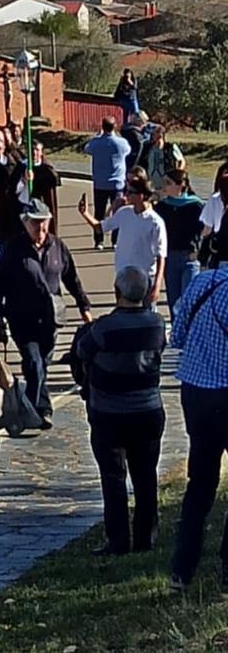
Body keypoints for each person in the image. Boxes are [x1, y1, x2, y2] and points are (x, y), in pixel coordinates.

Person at [72, 266, 167, 556]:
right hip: (148, 409)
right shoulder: (157, 324)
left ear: (116, 292)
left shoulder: (104, 328)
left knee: (113, 478)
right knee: (145, 475)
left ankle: (118, 540)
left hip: (109, 413)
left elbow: (81, 352)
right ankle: (145, 537)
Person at [0, 199, 92, 428]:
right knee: (34, 362)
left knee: (42, 364)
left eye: (44, 223)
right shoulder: (14, 249)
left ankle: (33, 404)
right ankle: (38, 410)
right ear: (25, 223)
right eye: (35, 223)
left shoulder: (57, 247)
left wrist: (84, 307)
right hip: (21, 318)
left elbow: (71, 278)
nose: (40, 228)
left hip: (51, 318)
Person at [169, 218, 228, 590]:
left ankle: (182, 567)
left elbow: (178, 336)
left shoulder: (202, 284)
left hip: (196, 391)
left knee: (200, 482)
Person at [78, 174, 167, 308]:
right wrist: (85, 214)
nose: (126, 195)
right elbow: (101, 228)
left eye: (130, 192)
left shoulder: (155, 222)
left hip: (145, 277)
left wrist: (157, 284)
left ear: (141, 195)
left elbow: (161, 255)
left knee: (146, 316)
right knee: (123, 314)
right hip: (123, 274)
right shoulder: (124, 213)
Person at [156, 170, 205, 314]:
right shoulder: (162, 207)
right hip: (170, 257)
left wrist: (198, 251)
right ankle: (177, 333)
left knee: (188, 300)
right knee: (174, 301)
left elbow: (205, 230)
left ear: (181, 185)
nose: (164, 186)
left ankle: (190, 332)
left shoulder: (195, 205)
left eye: (168, 183)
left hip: (189, 258)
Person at [84, 117, 132, 245]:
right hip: (117, 184)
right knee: (118, 212)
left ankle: (98, 240)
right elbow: (128, 151)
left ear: (102, 126)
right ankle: (115, 240)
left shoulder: (96, 142)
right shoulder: (121, 143)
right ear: (115, 126)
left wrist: (98, 136)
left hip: (100, 183)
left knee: (99, 212)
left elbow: (86, 149)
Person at [30, 142, 61, 224]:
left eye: (37, 150)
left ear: (41, 152)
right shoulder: (23, 168)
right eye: (32, 150)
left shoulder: (47, 170)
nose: (34, 153)